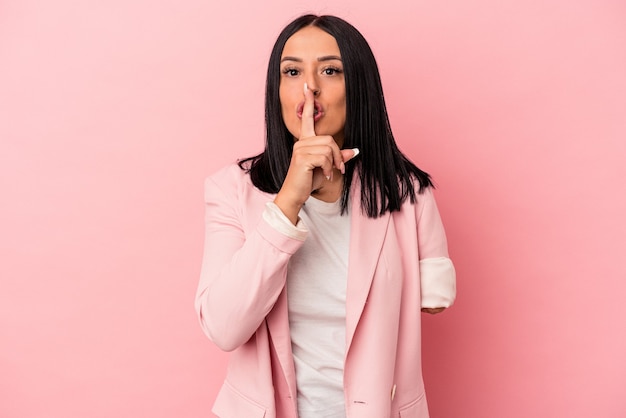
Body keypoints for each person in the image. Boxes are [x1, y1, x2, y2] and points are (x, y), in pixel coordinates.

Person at [195, 14, 456, 418]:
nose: (309, 86)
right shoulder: (231, 189)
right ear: (275, 89)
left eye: (331, 70)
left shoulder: (408, 193)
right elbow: (224, 328)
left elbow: (435, 300)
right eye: (292, 70)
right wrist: (288, 201)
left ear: (360, 89)